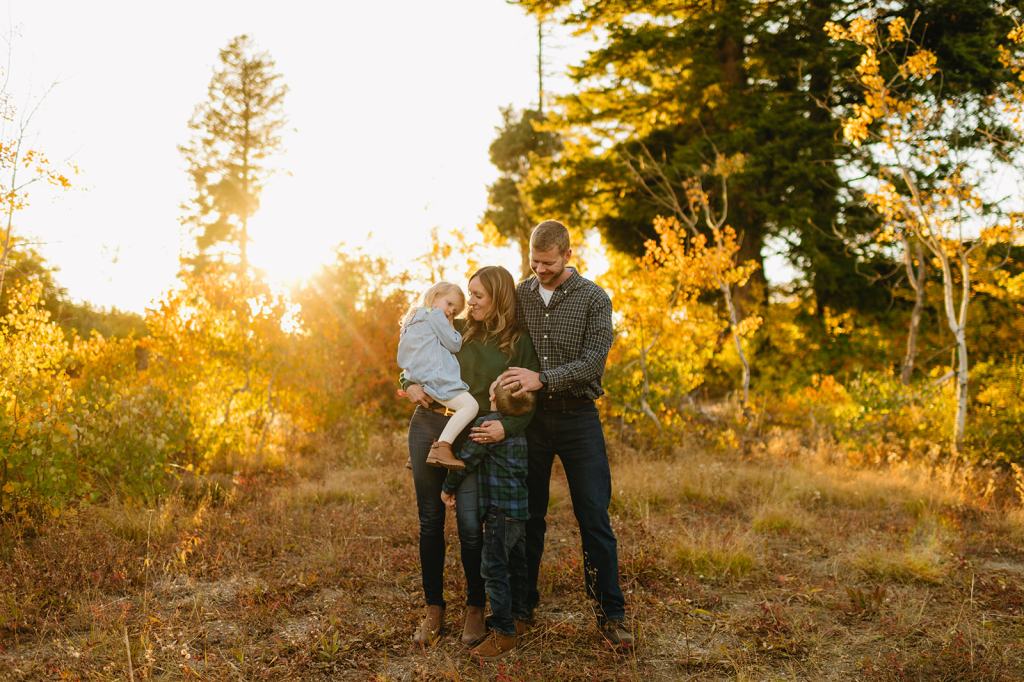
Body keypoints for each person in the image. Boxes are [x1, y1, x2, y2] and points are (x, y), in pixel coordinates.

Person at [500, 220, 634, 648]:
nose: (539, 270)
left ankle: (610, 615)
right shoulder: (520, 295)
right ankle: (522, 608)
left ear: (568, 256)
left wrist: (543, 378)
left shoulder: (595, 299)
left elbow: (594, 361)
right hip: (532, 422)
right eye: (534, 262)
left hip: (579, 419)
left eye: (548, 263)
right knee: (527, 517)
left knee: (594, 517)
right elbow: (487, 333)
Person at [402, 265, 540, 649]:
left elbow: (527, 403)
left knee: (469, 524)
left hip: (471, 434)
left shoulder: (518, 343)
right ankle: (433, 608)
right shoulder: (456, 327)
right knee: (429, 521)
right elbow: (413, 350)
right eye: (469, 294)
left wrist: (505, 429)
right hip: (429, 424)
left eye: (478, 296)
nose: (470, 302)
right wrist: (408, 383)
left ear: (499, 297)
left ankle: (476, 606)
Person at [440, 381, 535, 661]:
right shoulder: (518, 426)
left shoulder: (486, 426)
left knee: (494, 569)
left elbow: (466, 460)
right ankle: (519, 616)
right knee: (517, 566)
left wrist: (447, 488)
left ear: (491, 395)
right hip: (519, 510)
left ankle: (504, 634)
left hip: (499, 512)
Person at [397, 281, 478, 469]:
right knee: (469, 406)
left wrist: (410, 381)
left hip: (419, 377)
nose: (450, 312)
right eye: (449, 304)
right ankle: (442, 448)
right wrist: (449, 324)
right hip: (437, 377)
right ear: (435, 296)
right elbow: (454, 344)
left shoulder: (412, 317)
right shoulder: (435, 316)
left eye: (455, 311)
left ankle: (417, 454)